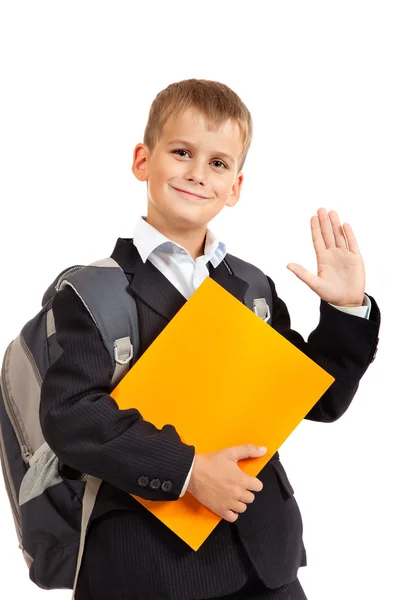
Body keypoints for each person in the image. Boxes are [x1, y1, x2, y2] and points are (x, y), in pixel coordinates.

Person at [39, 79, 380, 600]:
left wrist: (345, 308)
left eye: (219, 163)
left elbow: (316, 400)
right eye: (182, 152)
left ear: (236, 187)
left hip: (267, 560)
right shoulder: (91, 291)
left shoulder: (250, 287)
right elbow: (71, 419)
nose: (198, 173)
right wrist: (189, 471)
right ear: (142, 161)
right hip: (149, 569)